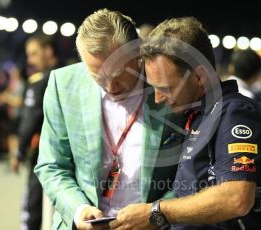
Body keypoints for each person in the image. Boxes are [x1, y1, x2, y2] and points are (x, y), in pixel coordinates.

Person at [110, 17, 261, 230]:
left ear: (200, 77)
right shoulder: (199, 115)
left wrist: (155, 213)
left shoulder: (235, 114)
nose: (157, 98)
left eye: (165, 88)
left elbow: (236, 198)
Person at [34, 9, 184, 230]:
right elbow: (52, 165)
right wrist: (78, 210)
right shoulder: (63, 85)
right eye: (97, 77)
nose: (110, 87)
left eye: (118, 74)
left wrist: (156, 214)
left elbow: (190, 171)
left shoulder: (169, 85)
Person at [9, 34, 61, 230]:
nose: (30, 60)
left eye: (33, 54)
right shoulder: (72, 73)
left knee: (32, 206)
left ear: (48, 51)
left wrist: (18, 152)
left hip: (42, 156)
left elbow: (29, 121)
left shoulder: (40, 82)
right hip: (73, 158)